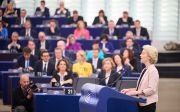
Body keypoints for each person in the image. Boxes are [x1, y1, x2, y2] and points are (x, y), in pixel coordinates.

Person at [121, 45, 159, 112]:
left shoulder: (153, 71)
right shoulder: (145, 69)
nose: (140, 55)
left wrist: (134, 92)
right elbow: (141, 89)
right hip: (141, 103)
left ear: (149, 57)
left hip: (148, 105)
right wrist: (129, 90)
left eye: (143, 53)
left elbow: (151, 89)